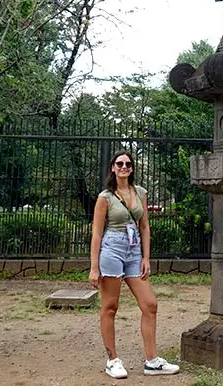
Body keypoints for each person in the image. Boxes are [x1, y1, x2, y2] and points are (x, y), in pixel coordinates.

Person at [89, 151, 180, 378]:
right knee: (110, 307)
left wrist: (146, 257)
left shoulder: (140, 193)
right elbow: (97, 233)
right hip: (112, 250)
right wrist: (94, 267)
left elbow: (145, 226)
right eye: (120, 163)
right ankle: (112, 360)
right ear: (112, 167)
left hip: (134, 252)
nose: (124, 167)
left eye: (128, 163)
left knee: (150, 304)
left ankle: (152, 361)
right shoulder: (105, 197)